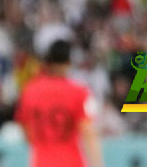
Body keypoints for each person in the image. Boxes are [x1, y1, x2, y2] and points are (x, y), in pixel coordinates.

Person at [15, 39, 104, 167]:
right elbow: (88, 131)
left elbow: (24, 126)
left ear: (47, 62)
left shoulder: (29, 91)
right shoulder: (78, 92)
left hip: (42, 162)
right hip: (71, 162)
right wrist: (98, 164)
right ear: (68, 63)